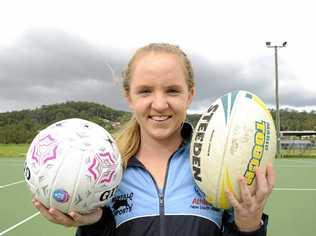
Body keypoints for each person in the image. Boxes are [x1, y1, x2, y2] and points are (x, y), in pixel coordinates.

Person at [33, 43, 275, 236]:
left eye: (172, 90)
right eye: (145, 91)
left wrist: (249, 226)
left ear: (189, 95)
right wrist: (94, 225)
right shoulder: (102, 173)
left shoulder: (223, 165)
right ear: (129, 97)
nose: (159, 105)